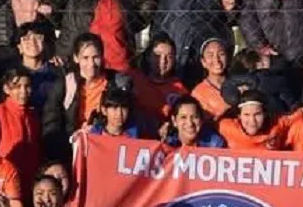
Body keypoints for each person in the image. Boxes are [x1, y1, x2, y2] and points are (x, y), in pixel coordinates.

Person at [43, 34, 127, 162]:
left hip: (107, 149)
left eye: (96, 57)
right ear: (76, 58)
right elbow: (51, 124)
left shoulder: (116, 83)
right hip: (71, 150)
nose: (91, 64)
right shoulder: (65, 85)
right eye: (85, 58)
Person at [0, 68, 41, 186]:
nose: (23, 91)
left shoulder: (33, 115)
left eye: (27, 86)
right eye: (17, 87)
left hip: (31, 179)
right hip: (5, 179)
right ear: (6, 89)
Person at [128, 33, 189, 125]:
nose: (163, 61)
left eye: (169, 56)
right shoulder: (135, 80)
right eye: (157, 56)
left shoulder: (180, 89)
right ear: (148, 57)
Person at [13, 22, 60, 112]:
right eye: (26, 39)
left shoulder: (57, 72)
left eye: (38, 38)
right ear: (19, 47)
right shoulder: (12, 75)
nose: (32, 42)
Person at [216, 90, 280, 151]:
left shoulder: (277, 128)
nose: (252, 121)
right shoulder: (227, 127)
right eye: (246, 115)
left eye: (257, 114)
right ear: (239, 116)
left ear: (265, 114)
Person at [190, 39, 230, 122]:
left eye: (221, 54)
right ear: (203, 62)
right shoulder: (198, 93)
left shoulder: (239, 84)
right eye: (210, 55)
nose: (217, 60)